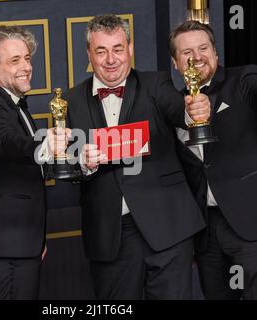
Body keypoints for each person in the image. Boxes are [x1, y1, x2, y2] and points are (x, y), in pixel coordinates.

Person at [64, 14, 211, 299]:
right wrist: (82, 161)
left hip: (167, 225)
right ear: (88, 54)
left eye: (118, 49)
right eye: (101, 51)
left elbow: (177, 111)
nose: (111, 59)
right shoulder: (71, 100)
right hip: (110, 234)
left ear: (130, 49)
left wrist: (192, 112)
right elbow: (67, 160)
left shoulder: (156, 84)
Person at [168, 20, 257, 299]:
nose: (196, 57)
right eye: (186, 53)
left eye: (203, 48)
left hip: (254, 220)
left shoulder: (243, 79)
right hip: (207, 233)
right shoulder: (174, 106)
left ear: (216, 54)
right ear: (175, 63)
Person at [0, 25, 68, 299]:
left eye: (27, 58)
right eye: (15, 60)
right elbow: (4, 143)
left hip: (23, 242)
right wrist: (46, 142)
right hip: (5, 246)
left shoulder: (14, 104)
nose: (26, 66)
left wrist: (37, 240)